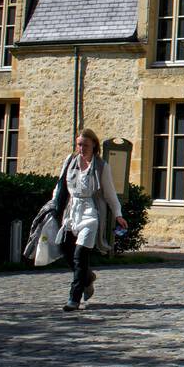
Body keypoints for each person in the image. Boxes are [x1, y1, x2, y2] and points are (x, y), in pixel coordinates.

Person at [52, 128, 127, 311]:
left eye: (85, 145)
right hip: (72, 212)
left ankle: (74, 299)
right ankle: (87, 277)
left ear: (94, 145)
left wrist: (118, 214)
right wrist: (53, 204)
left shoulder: (102, 167)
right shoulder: (69, 162)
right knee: (65, 249)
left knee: (80, 255)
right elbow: (60, 186)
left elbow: (110, 194)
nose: (81, 148)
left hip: (90, 214)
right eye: (79, 144)